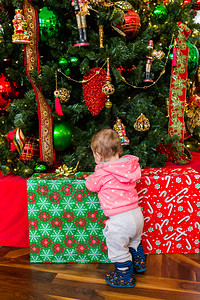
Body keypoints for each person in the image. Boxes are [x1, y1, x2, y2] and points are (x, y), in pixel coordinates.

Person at [85, 128, 146, 288]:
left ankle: (125, 277)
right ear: (119, 149)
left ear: (98, 156)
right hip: (137, 215)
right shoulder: (129, 167)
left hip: (120, 221)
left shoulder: (102, 173)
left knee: (118, 248)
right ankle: (139, 265)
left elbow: (91, 186)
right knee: (135, 241)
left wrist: (88, 178)